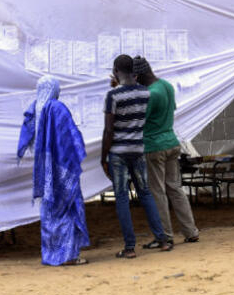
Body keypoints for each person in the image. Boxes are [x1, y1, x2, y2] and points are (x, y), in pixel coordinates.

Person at [102, 54, 173, 258]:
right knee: (145, 193)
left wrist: (103, 157)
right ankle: (162, 239)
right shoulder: (145, 93)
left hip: (118, 153)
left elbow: (109, 130)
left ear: (116, 71)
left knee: (122, 197)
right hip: (138, 150)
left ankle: (130, 247)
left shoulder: (113, 96)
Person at [16, 75, 90, 266]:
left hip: (44, 168)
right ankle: (68, 256)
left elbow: (27, 136)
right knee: (66, 207)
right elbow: (70, 136)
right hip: (61, 166)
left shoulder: (35, 108)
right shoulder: (57, 108)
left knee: (49, 210)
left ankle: (51, 255)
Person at [134, 57, 200, 245]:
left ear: (139, 75)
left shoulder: (150, 94)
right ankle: (191, 231)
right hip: (171, 141)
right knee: (175, 188)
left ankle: (164, 236)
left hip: (154, 146)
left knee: (157, 191)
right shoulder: (166, 86)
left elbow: (139, 120)